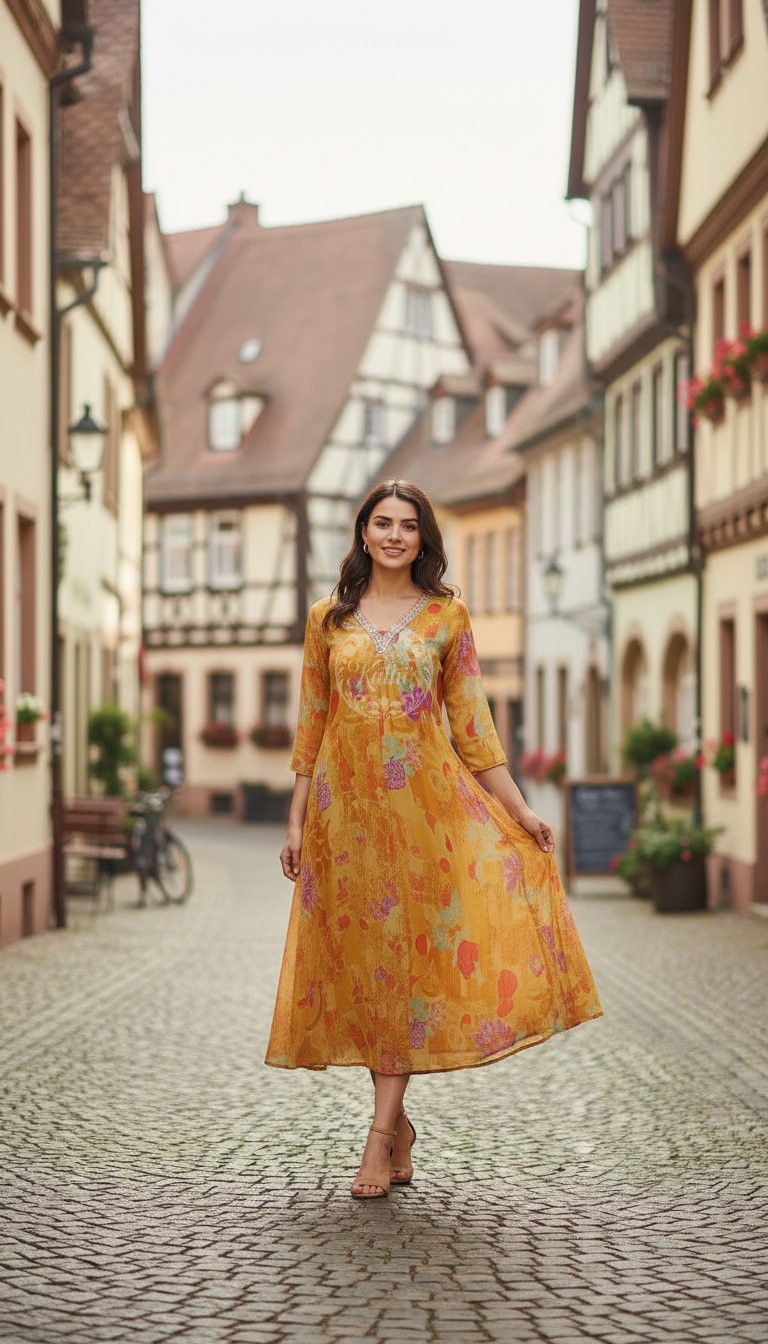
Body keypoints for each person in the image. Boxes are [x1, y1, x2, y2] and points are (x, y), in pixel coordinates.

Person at [266, 479, 602, 1198]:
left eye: (407, 525)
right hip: (343, 823)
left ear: (423, 538)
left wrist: (521, 811)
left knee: (409, 976)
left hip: (427, 825)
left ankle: (379, 1138)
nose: (394, 535)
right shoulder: (328, 619)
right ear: (362, 533)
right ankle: (401, 1120)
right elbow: (311, 724)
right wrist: (296, 818)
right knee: (364, 975)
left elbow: (473, 729)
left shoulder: (448, 617)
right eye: (382, 523)